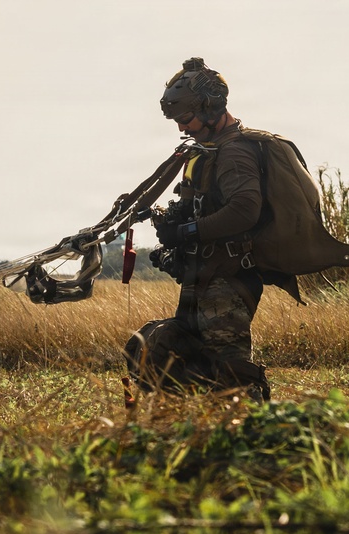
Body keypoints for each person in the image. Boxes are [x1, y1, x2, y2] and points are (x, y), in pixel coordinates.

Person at [135, 57, 272, 401]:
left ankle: (257, 426)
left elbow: (244, 210)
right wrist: (172, 229)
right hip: (204, 277)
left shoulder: (235, 153)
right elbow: (202, 206)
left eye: (186, 119)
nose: (183, 128)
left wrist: (186, 233)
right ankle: (195, 425)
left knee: (230, 375)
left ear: (210, 108)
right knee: (167, 352)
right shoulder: (206, 150)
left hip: (227, 281)